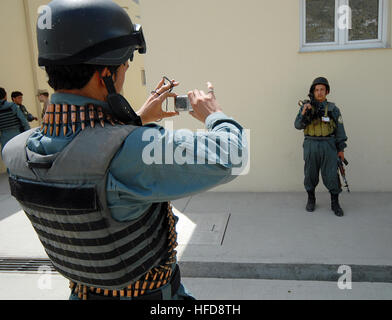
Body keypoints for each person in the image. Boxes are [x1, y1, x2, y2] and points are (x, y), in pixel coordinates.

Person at [2, 0, 247, 300]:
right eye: (125, 63)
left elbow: (81, 147)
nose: (127, 69)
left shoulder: (14, 153)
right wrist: (213, 114)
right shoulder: (132, 151)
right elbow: (233, 155)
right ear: (104, 73)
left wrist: (136, 120)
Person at [294, 77, 347, 217]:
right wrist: (304, 111)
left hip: (328, 145)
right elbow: (298, 125)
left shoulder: (333, 109)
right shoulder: (305, 106)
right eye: (316, 90)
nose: (319, 92)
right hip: (311, 144)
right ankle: (311, 199)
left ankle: (335, 203)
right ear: (313, 92)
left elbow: (340, 130)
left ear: (327, 91)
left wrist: (341, 149)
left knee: (331, 174)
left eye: (322, 89)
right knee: (310, 174)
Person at [0, 87, 30, 152]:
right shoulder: (12, 106)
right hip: (17, 137)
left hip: (4, 139)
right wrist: (29, 135)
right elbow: (24, 121)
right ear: (5, 96)